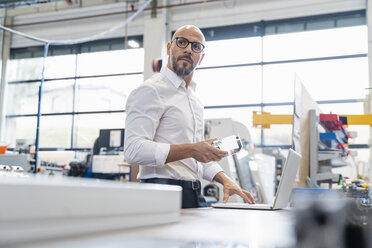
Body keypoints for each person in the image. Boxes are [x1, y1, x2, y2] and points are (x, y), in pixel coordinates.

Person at [124, 25, 255, 208]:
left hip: (193, 193)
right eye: (182, 42)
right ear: (169, 48)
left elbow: (196, 159)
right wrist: (193, 149)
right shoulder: (150, 90)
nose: (188, 49)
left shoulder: (194, 101)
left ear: (201, 57)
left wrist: (225, 179)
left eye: (196, 46)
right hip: (161, 195)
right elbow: (133, 150)